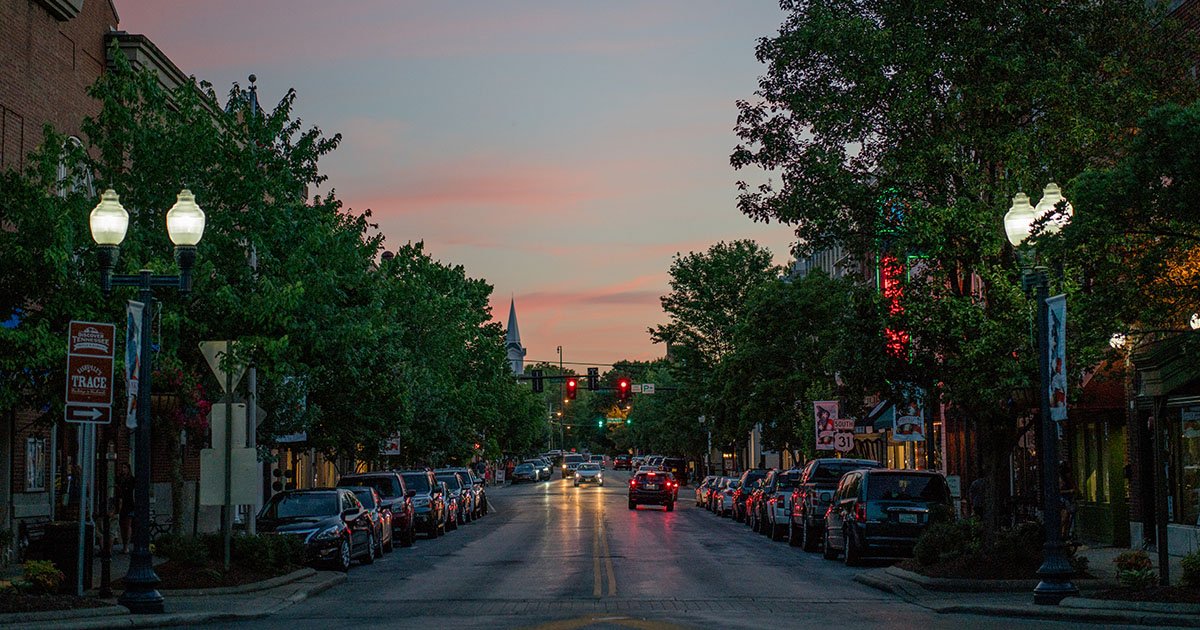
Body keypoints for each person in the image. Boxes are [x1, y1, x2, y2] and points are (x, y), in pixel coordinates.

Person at [115, 463, 135, 553]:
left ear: (128, 469)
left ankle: (126, 545)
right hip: (120, 504)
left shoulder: (131, 480)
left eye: (125, 468)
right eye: (122, 468)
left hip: (129, 504)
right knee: (122, 525)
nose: (123, 470)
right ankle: (124, 544)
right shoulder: (119, 479)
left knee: (128, 525)